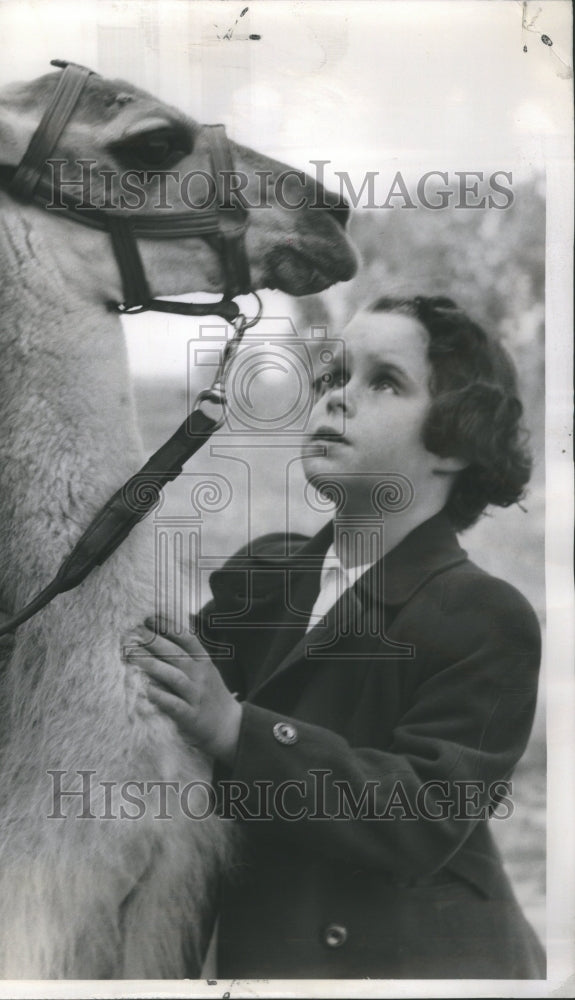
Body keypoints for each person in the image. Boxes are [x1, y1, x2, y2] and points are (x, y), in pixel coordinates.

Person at [126, 295, 544, 979]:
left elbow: (423, 814)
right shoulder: (263, 576)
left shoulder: (484, 616)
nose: (337, 399)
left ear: (455, 443)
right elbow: (162, 709)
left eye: (383, 381)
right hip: (261, 952)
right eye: (332, 377)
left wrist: (236, 730)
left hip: (420, 969)